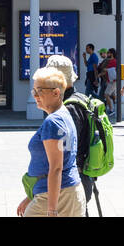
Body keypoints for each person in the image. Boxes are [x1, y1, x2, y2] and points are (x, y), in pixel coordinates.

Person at [16, 66, 83, 217]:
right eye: (34, 91)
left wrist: (52, 209)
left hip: (57, 195)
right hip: (63, 191)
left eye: (39, 91)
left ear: (56, 92)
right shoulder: (64, 114)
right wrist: (31, 197)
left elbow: (56, 168)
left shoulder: (53, 122)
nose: (35, 95)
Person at [47, 54, 95, 213]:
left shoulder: (69, 109)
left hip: (71, 182)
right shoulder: (81, 98)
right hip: (83, 177)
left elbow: (64, 155)